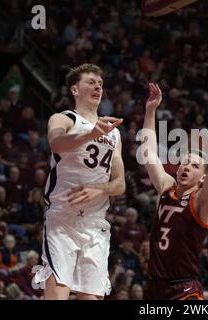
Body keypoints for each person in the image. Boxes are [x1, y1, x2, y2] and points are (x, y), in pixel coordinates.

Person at [36, 64, 126, 300]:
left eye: (100, 83)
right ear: (75, 90)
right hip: (62, 221)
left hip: (95, 225)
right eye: (91, 82)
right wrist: (90, 134)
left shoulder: (114, 133)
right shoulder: (63, 118)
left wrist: (98, 188)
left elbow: (120, 184)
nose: (98, 86)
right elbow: (56, 143)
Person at [141, 83, 208, 300]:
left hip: (183, 290)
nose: (186, 166)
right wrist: (150, 111)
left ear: (202, 178)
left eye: (194, 165)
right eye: (185, 162)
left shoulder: (201, 201)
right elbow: (148, 152)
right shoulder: (166, 188)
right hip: (154, 288)